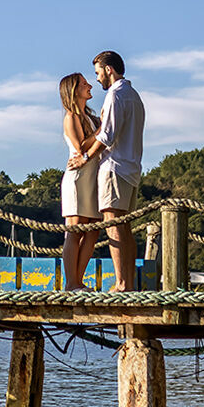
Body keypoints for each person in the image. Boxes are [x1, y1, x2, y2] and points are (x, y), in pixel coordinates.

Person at [67, 50, 145, 291]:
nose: (97, 78)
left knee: (113, 224)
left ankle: (122, 284)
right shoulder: (134, 95)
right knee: (125, 227)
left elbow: (107, 136)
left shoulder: (114, 96)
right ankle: (128, 283)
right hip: (132, 168)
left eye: (98, 72)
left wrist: (86, 158)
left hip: (114, 167)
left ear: (108, 69)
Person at [58, 71, 100, 290]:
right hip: (77, 179)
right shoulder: (71, 117)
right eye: (84, 84)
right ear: (74, 91)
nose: (89, 86)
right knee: (75, 231)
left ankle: (79, 280)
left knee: (93, 230)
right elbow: (81, 146)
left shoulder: (91, 118)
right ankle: (71, 283)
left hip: (92, 179)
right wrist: (101, 131)